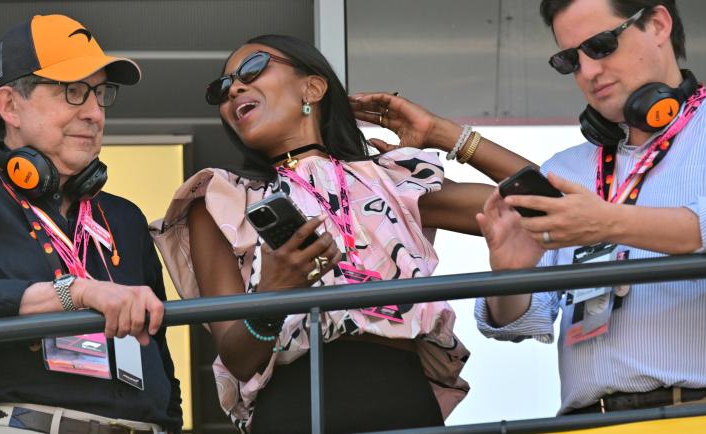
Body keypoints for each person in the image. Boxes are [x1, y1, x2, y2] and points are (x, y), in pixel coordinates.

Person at [152, 34, 532, 433]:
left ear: (313, 88)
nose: (234, 90)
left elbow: (546, 206)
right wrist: (272, 295)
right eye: (222, 88)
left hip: (402, 397)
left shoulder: (392, 180)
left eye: (252, 69)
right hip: (295, 408)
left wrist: (441, 133)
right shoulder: (219, 199)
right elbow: (238, 360)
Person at [474, 0, 706, 415]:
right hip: (584, 420)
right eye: (570, 60)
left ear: (658, 24)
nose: (588, 71)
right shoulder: (564, 169)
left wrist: (610, 222)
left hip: (703, 413)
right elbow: (520, 321)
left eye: (601, 45)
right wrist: (511, 276)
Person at [0, 14, 182, 433]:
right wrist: (75, 292)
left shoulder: (125, 217)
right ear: (10, 106)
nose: (95, 113)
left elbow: (160, 354)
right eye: (73, 91)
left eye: (101, 93)